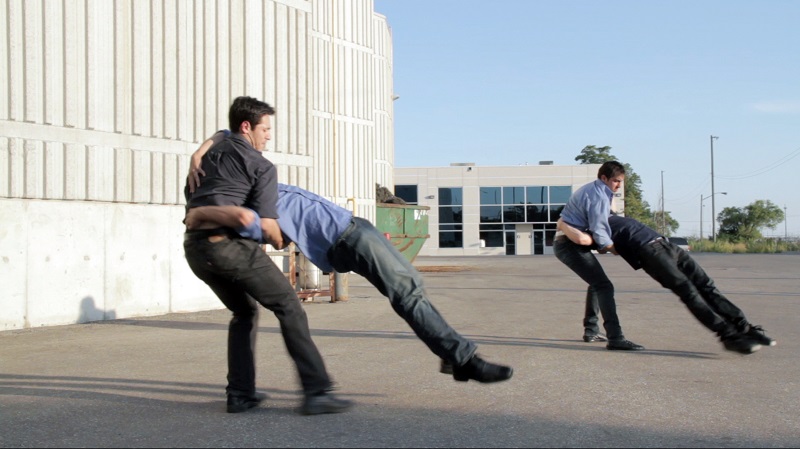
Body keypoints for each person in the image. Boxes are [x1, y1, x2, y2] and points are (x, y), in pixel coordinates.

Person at [187, 137, 513, 383]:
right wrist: (209, 214)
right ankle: (462, 360)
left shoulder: (257, 183)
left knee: (410, 286)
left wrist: (198, 153)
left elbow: (226, 135)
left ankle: (453, 357)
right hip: (348, 237)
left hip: (353, 231)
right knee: (408, 290)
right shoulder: (249, 208)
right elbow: (267, 233)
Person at [183, 97, 351, 416]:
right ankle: (317, 392)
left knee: (244, 311)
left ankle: (240, 394)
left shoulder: (205, 158)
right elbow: (269, 227)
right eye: (265, 129)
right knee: (289, 305)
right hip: (230, 247)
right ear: (247, 126)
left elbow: (219, 142)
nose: (269, 136)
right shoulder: (261, 166)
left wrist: (201, 148)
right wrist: (283, 238)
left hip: (195, 248)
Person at [557, 215, 776, 354]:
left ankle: (744, 327)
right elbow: (595, 244)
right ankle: (728, 336)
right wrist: (563, 224)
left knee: (707, 285)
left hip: (667, 245)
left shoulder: (604, 212)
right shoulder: (589, 227)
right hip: (650, 254)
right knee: (688, 292)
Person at [553, 161, 644, 350]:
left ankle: (591, 331)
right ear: (604, 178)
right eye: (616, 181)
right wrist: (616, 250)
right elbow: (600, 231)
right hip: (568, 244)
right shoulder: (598, 195)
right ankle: (616, 338)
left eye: (621, 181)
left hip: (571, 241)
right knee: (604, 286)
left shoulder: (596, 190)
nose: (619, 185)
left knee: (596, 284)